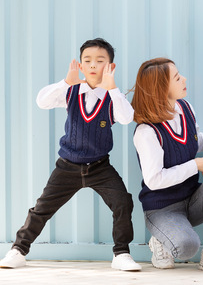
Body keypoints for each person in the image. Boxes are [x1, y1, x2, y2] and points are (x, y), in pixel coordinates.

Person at [0, 38, 141, 271]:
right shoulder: (71, 91)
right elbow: (41, 101)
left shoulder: (113, 97)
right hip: (67, 166)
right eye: (87, 60)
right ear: (80, 65)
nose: (93, 65)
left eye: (100, 61)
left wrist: (112, 87)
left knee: (122, 202)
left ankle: (121, 253)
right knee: (42, 208)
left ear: (110, 66)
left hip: (100, 167)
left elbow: (127, 118)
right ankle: (18, 250)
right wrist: (67, 81)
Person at [131, 58, 203, 274]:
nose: (183, 79)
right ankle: (160, 239)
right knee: (186, 247)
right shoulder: (146, 132)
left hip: (191, 201)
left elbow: (196, 142)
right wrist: (195, 165)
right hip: (162, 208)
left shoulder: (185, 108)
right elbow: (154, 180)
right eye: (177, 77)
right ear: (161, 88)